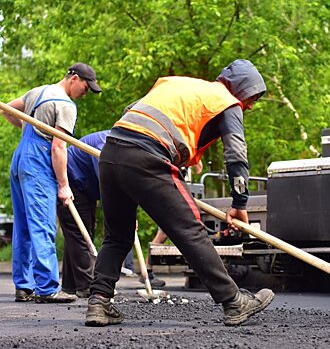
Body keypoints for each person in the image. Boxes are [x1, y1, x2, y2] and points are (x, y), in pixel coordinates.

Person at [85, 59, 274, 327]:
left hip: (112, 153)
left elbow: (134, 113)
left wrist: (182, 153)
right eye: (252, 97)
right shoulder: (226, 101)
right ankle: (233, 301)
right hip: (147, 157)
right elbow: (236, 154)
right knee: (191, 230)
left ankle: (98, 303)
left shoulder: (178, 83)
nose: (251, 105)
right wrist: (239, 202)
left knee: (117, 237)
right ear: (240, 89)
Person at [1, 63, 101, 303]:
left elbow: (6, 111)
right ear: (74, 79)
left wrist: (28, 128)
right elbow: (59, 147)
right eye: (86, 88)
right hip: (38, 159)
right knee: (43, 224)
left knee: (24, 225)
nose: (85, 94)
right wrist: (64, 185)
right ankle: (47, 288)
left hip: (21, 157)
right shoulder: (66, 105)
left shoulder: (37, 92)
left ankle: (24, 286)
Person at [56, 130, 109, 298]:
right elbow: (108, 185)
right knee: (80, 234)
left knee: (79, 235)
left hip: (85, 189)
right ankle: (87, 285)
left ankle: (70, 285)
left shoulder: (122, 147)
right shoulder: (105, 146)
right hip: (70, 183)